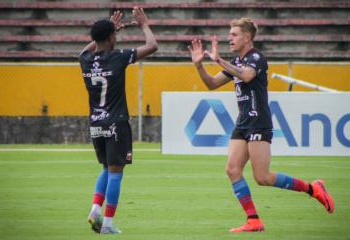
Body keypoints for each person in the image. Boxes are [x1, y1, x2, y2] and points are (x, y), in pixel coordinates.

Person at [188, 18, 334, 232]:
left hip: (258, 122)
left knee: (262, 177)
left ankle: (313, 188)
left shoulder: (257, 57)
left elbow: (247, 76)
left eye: (234, 34)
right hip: (243, 122)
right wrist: (199, 65)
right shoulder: (235, 62)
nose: (230, 38)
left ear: (247, 37)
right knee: (232, 169)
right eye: (229, 34)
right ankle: (253, 220)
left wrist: (219, 61)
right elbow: (211, 84)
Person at [79, 8, 157, 234]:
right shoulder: (118, 57)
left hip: (96, 123)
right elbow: (152, 46)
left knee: (106, 167)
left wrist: (108, 31)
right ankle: (108, 224)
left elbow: (87, 48)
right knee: (116, 172)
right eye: (114, 35)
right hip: (116, 123)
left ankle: (95, 209)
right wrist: (143, 25)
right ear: (112, 38)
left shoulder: (84, 59)